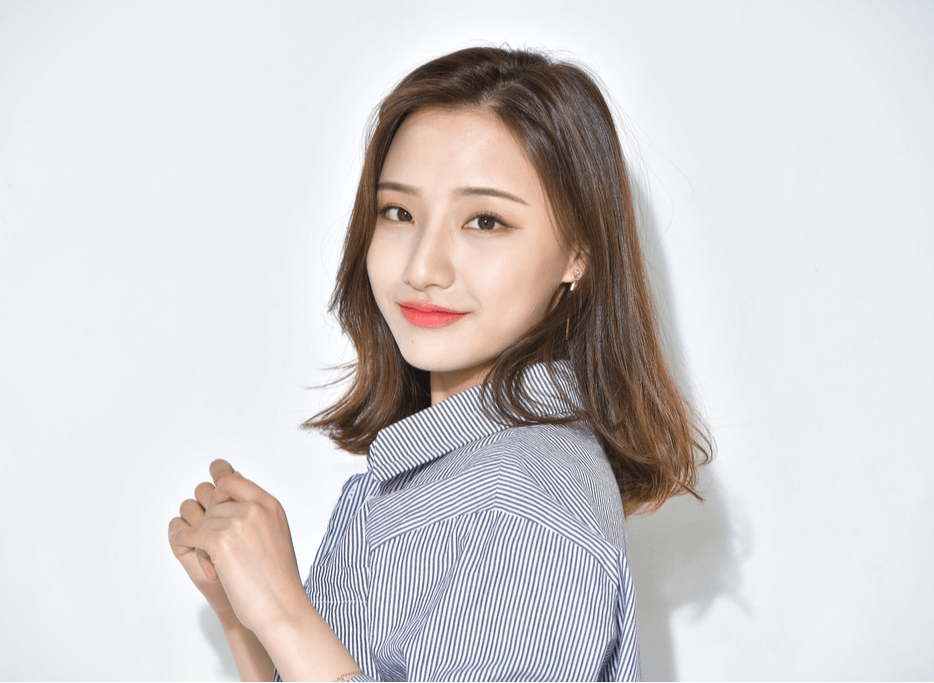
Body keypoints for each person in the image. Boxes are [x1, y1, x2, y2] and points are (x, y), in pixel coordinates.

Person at [168, 45, 711, 682]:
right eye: (399, 212)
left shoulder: (522, 512)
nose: (423, 268)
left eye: (485, 221)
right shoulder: (433, 472)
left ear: (578, 253)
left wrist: (286, 613)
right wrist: (244, 617)